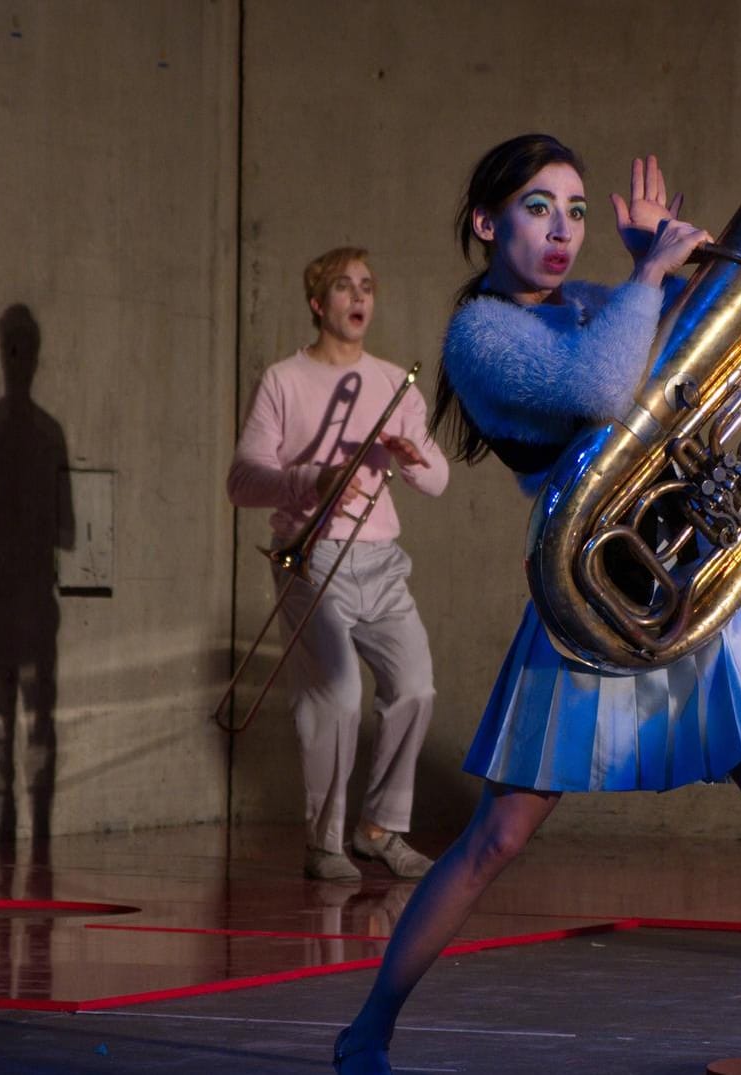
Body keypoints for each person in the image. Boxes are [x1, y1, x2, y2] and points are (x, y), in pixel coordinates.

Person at [329, 136, 741, 1075]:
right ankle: (368, 1027)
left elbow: (697, 354)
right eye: (538, 208)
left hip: (681, 574)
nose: (562, 229)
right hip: (590, 593)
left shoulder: (586, 301)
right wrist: (647, 273)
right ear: (488, 224)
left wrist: (671, 268)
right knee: (496, 836)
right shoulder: (479, 334)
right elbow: (601, 386)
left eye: (576, 210)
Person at [227, 246, 451, 883]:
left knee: (415, 688)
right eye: (344, 287)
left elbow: (437, 481)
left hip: (382, 562)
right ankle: (325, 843)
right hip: (312, 559)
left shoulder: (391, 382)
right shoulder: (282, 380)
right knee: (338, 696)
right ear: (317, 303)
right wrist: (310, 481)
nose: (359, 297)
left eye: (368, 287)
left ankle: (380, 829)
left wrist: (410, 456)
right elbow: (242, 481)